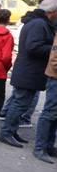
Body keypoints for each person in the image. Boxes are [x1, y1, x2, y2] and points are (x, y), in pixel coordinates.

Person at [0, 0, 57, 147]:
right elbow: (34, 47)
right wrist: (54, 49)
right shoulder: (39, 24)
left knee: (21, 104)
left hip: (29, 71)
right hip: (29, 71)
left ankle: (11, 131)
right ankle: (6, 133)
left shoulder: (37, 22)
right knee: (19, 104)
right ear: (52, 11)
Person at [33, 34, 57, 163]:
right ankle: (40, 148)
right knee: (49, 114)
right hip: (55, 78)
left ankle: (48, 145)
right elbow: (54, 59)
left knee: (54, 115)